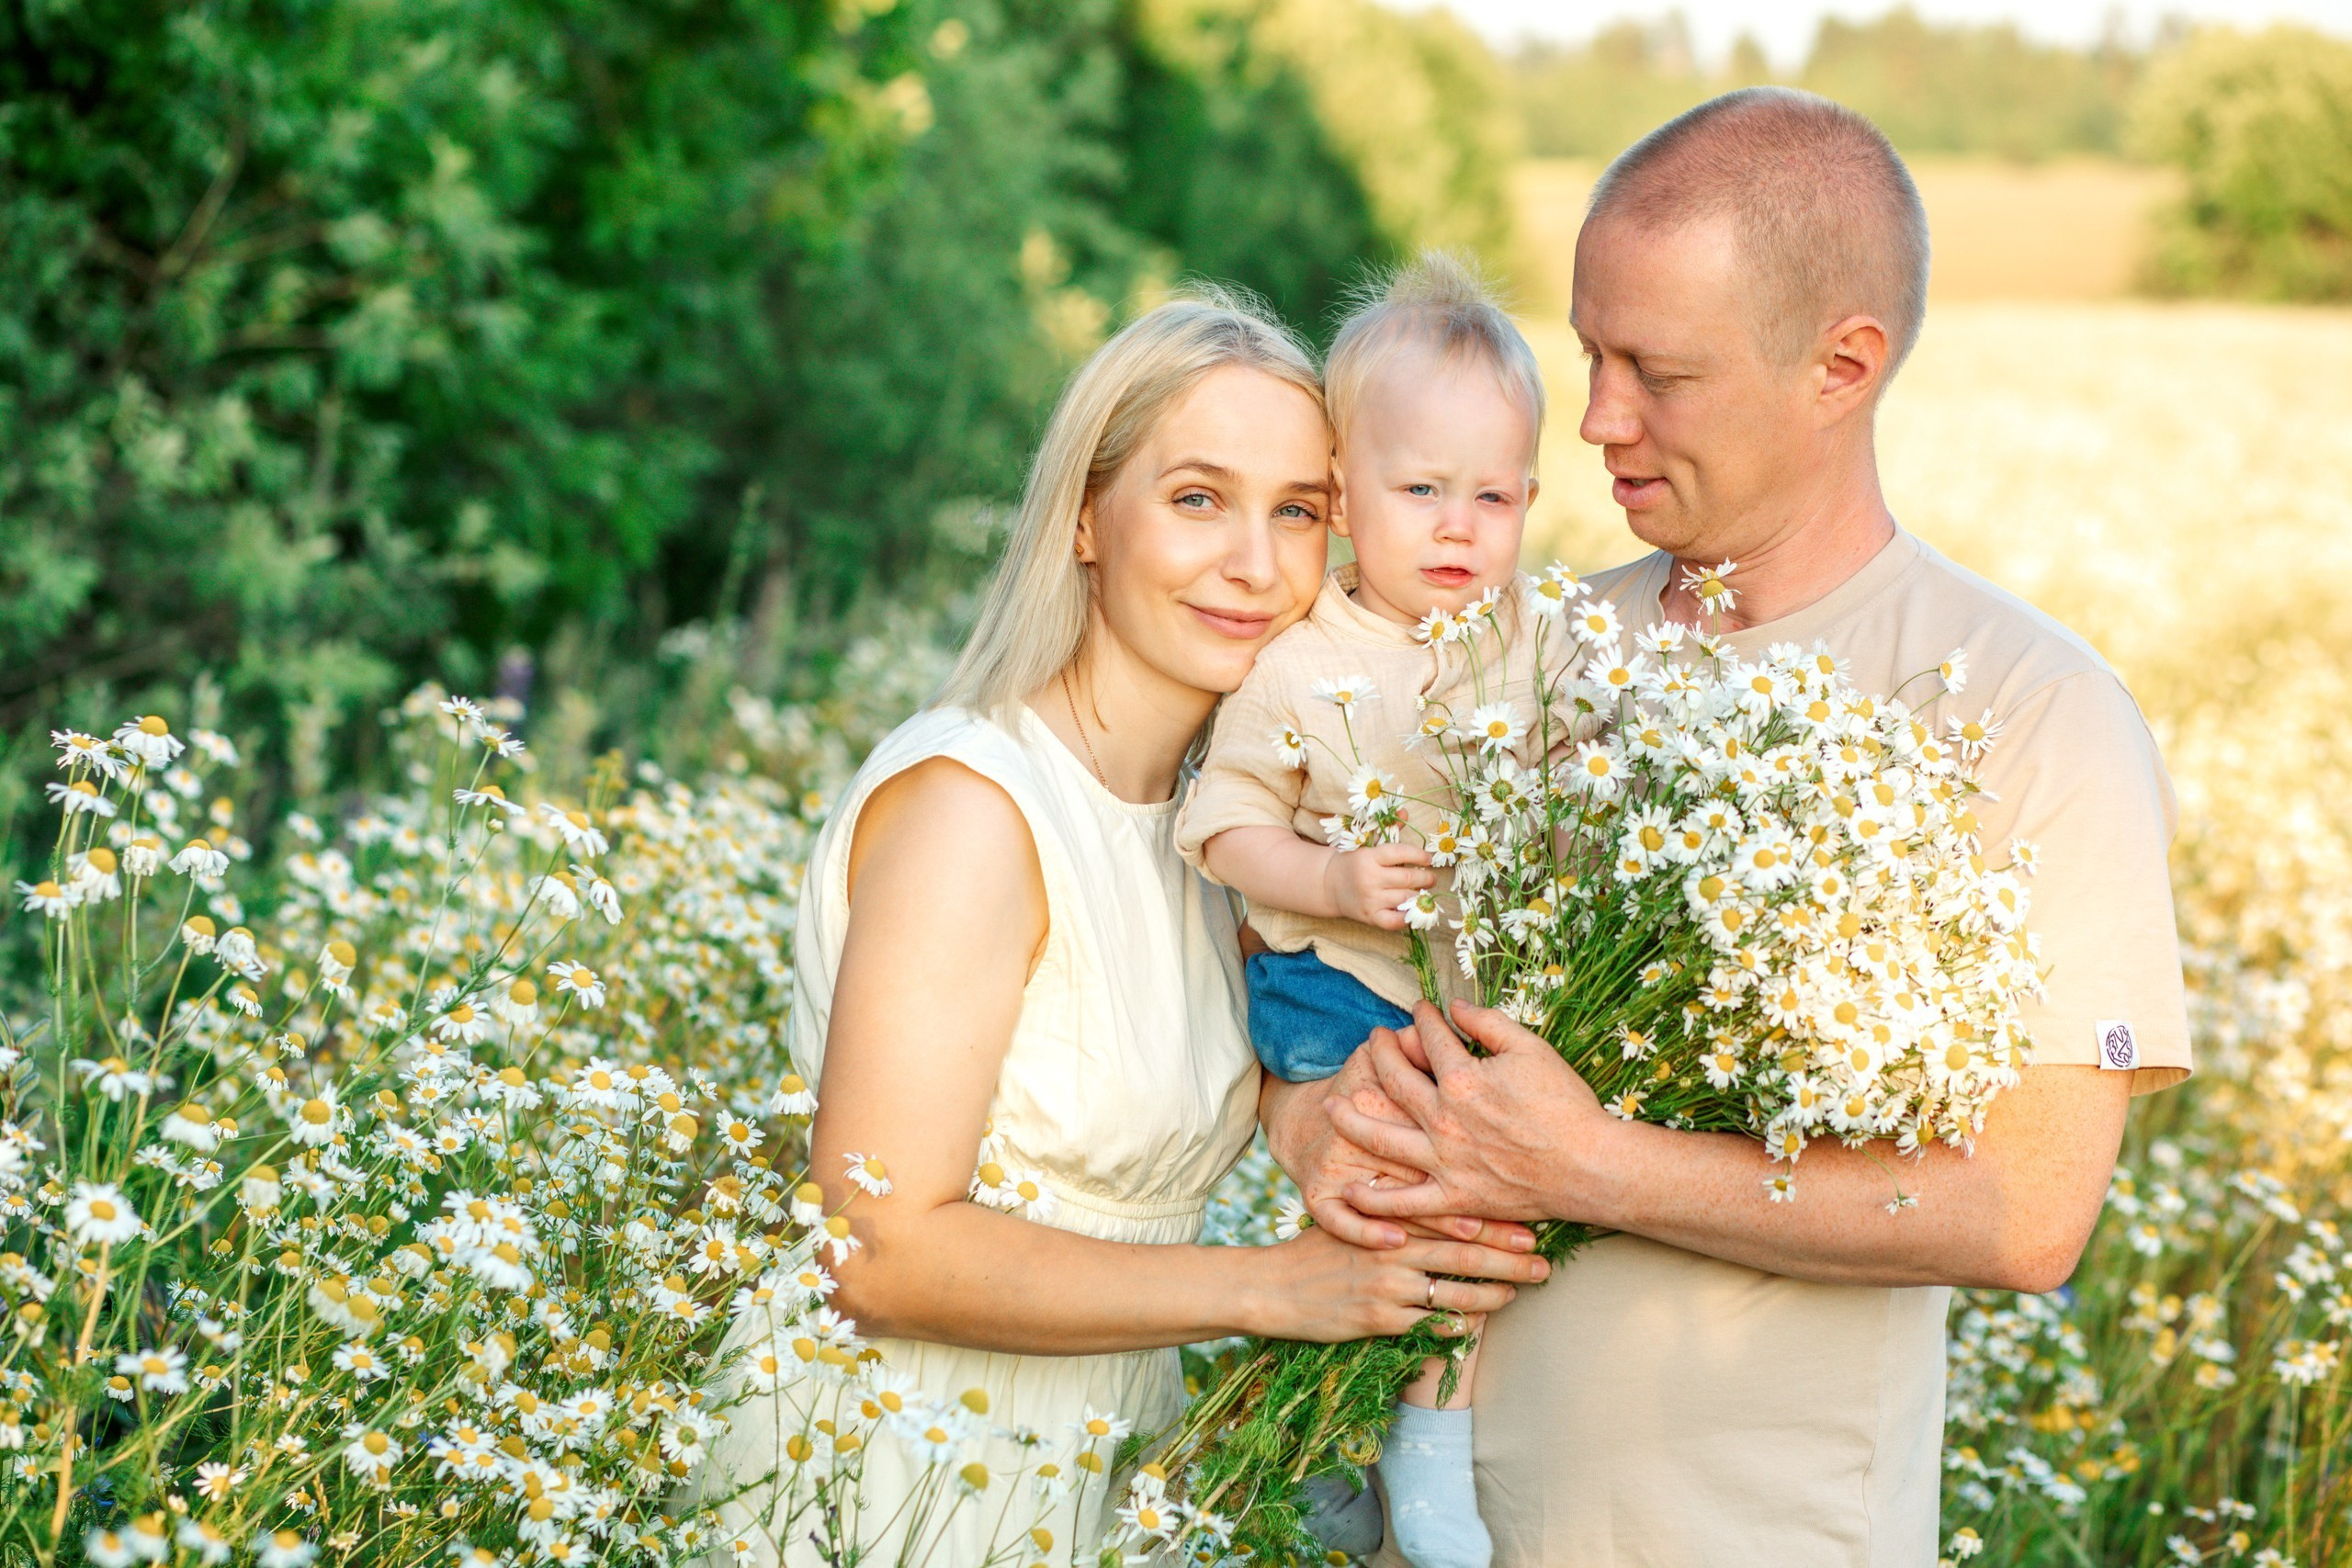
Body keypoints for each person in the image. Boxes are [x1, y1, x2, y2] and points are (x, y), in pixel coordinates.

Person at [1261, 88, 2197, 1568]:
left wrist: (1585, 1166)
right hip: (1405, 1524)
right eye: (1587, 353)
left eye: (1659, 373)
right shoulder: (1524, 650)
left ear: (1842, 366)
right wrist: (1308, 1121)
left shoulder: (2035, 711)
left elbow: (2027, 1212)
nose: (1595, 420)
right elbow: (1320, 952)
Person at [688, 288, 1549, 1567]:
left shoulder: (1226, 840)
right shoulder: (976, 807)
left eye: (1298, 511)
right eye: (1197, 499)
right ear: (1086, 519)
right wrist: (1276, 1290)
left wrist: (1331, 1131)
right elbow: (875, 1248)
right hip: (889, 1474)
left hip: (1091, 1465)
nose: (1256, 564)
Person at [1174, 252, 1576, 1568]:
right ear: (1345, 497)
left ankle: (1324, 1437)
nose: (1459, 530)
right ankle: (1401, 1450)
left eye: (1493, 498)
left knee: (1459, 1219)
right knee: (1406, 1207)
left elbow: (1592, 761)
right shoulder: (1302, 663)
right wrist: (1333, 878)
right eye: (1421, 493)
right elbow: (1224, 824)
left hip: (1459, 991)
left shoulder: (1530, 635)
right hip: (1332, 978)